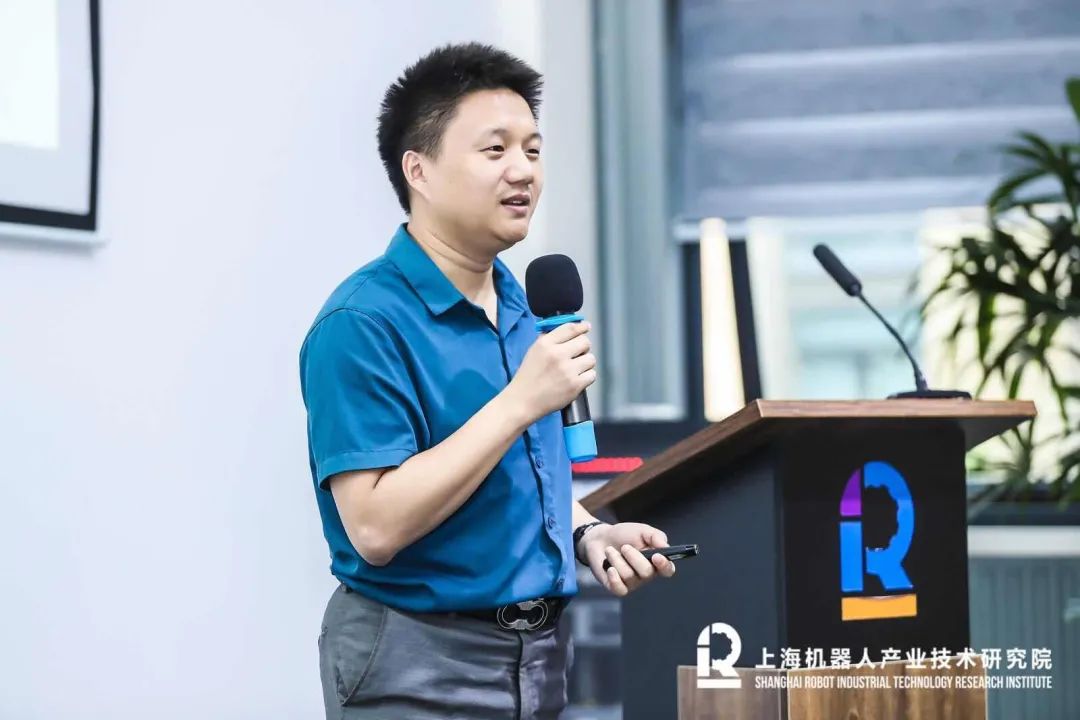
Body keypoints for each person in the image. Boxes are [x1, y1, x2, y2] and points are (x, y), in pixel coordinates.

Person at [299, 41, 677, 720]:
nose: (523, 170)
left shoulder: (524, 308)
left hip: (540, 660)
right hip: (416, 665)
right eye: (495, 150)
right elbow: (375, 528)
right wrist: (520, 402)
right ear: (418, 169)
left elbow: (515, 477)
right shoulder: (362, 323)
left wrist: (588, 534)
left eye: (532, 150)